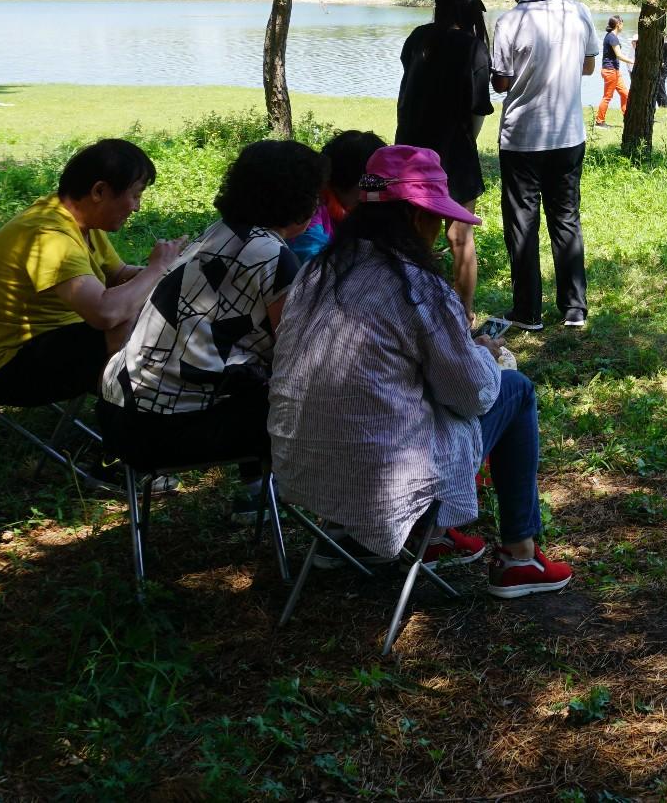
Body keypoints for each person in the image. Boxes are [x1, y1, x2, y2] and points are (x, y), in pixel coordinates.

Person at [269, 145, 574, 595]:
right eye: (437, 217)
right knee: (516, 389)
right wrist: (487, 356)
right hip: (384, 481)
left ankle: (416, 536)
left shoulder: (316, 271)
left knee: (399, 395)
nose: (441, 230)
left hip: (301, 473)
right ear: (415, 218)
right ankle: (519, 556)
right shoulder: (417, 288)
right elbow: (473, 395)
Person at [97, 140, 323, 483]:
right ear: (301, 201)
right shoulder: (273, 257)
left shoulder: (219, 234)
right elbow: (298, 357)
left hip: (117, 415)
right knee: (320, 405)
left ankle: (258, 495)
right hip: (164, 432)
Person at [0, 139, 188, 407]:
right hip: (10, 369)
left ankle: (144, 402)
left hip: (56, 343)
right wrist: (157, 268)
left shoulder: (82, 223)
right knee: (127, 320)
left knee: (148, 313)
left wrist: (176, 272)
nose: (137, 207)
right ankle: (130, 411)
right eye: (136, 195)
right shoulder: (48, 235)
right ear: (99, 191)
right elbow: (105, 313)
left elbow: (118, 275)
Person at [488, 0, 596, 331]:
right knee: (566, 217)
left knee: (523, 223)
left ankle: (528, 312)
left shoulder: (509, 21)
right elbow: (588, 66)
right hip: (568, 134)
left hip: (522, 137)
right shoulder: (579, 11)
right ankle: (573, 308)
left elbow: (501, 82)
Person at [396, 0, 495, 314]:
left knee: (417, 238)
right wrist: (468, 142)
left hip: (410, 153)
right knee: (460, 237)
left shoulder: (417, 39)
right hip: (453, 153)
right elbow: (478, 110)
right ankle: (464, 315)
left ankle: (410, 310)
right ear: (470, 9)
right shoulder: (472, 47)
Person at [288, 130, 385, 263]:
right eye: (373, 183)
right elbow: (315, 265)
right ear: (350, 179)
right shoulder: (309, 214)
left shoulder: (347, 208)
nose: (377, 191)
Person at [593, 15, 629, 128]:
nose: (623, 26)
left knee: (625, 94)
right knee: (607, 97)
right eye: (622, 23)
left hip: (615, 71)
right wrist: (633, 61)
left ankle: (628, 118)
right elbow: (619, 55)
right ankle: (599, 122)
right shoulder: (612, 37)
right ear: (618, 24)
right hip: (610, 71)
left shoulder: (611, 36)